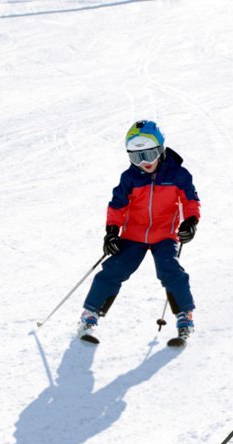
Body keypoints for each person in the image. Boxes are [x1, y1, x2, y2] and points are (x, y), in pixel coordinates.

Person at [77, 120, 201, 345]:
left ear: (161, 150)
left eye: (150, 154)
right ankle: (90, 316)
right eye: (137, 157)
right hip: (133, 235)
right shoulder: (130, 178)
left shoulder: (178, 175)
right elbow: (117, 206)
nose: (144, 163)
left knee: (171, 272)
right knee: (113, 269)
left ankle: (185, 318)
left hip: (165, 235)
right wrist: (112, 233)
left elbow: (190, 200)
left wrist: (190, 222)